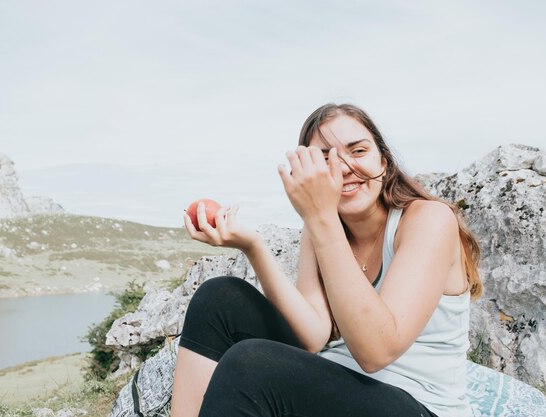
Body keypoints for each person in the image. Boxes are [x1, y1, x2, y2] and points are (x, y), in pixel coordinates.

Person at [170, 103, 482, 417]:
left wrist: (321, 219)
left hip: (418, 407)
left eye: (358, 151)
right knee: (218, 298)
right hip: (340, 393)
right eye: (325, 159)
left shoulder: (428, 219)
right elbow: (313, 335)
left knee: (250, 363)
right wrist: (254, 247)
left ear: (384, 163)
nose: (345, 167)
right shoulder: (321, 227)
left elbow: (377, 351)